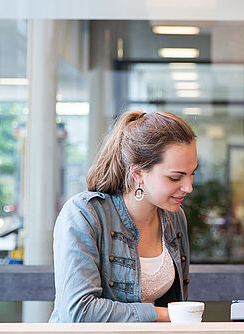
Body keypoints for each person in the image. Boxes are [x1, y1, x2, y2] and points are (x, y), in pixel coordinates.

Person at [49, 111, 197, 322]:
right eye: (175, 177)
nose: (188, 187)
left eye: (192, 173)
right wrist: (162, 315)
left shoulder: (174, 217)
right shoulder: (84, 214)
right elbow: (79, 311)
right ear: (137, 173)